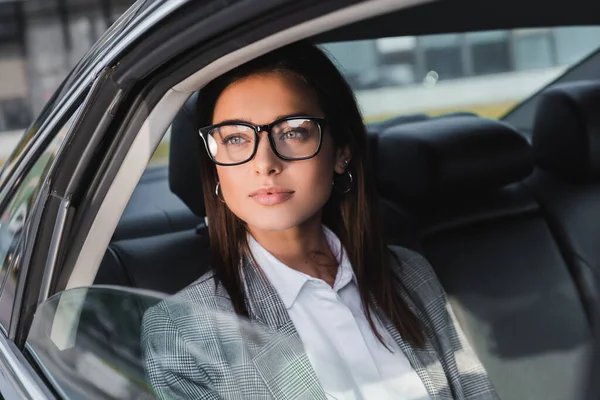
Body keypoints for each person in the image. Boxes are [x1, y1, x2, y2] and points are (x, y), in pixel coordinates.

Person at [141, 40, 499, 400]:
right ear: (215, 167)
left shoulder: (410, 274)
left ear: (340, 153)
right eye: (235, 138)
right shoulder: (183, 331)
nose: (265, 162)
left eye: (293, 132)